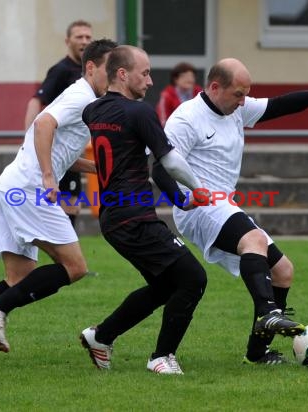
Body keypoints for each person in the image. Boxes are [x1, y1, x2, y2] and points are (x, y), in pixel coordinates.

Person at [0, 39, 118, 364]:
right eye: (110, 70)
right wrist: (49, 177)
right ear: (91, 68)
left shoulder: (83, 97)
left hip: (10, 187)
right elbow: (43, 125)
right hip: (29, 190)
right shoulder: (81, 96)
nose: (116, 76)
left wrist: (92, 167)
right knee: (75, 267)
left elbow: (57, 146)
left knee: (17, 279)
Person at [152, 58, 308, 364]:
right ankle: (268, 313)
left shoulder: (235, 108)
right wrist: (181, 199)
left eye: (246, 94)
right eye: (238, 94)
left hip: (225, 205)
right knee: (253, 240)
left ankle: (258, 352)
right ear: (214, 87)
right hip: (197, 208)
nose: (244, 101)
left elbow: (278, 106)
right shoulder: (186, 119)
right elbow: (159, 169)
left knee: (282, 271)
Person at [78, 45, 210, 375]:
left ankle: (101, 336)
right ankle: (162, 357)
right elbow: (169, 161)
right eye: (146, 72)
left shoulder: (93, 111)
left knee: (166, 286)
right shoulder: (139, 112)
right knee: (193, 278)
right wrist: (196, 188)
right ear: (123, 74)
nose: (150, 81)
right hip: (134, 219)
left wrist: (180, 201)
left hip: (112, 219)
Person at [23, 19, 94, 228]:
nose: (84, 41)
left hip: (73, 152)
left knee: (72, 207)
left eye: (88, 37)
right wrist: (29, 140)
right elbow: (36, 101)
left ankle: (66, 254)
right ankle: (66, 255)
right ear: (67, 41)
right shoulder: (61, 70)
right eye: (79, 37)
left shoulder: (90, 73)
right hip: (58, 152)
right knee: (66, 209)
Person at [155, 62, 202, 127]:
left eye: (192, 76)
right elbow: (162, 120)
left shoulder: (200, 93)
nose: (189, 79)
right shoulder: (167, 95)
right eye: (185, 76)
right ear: (175, 79)